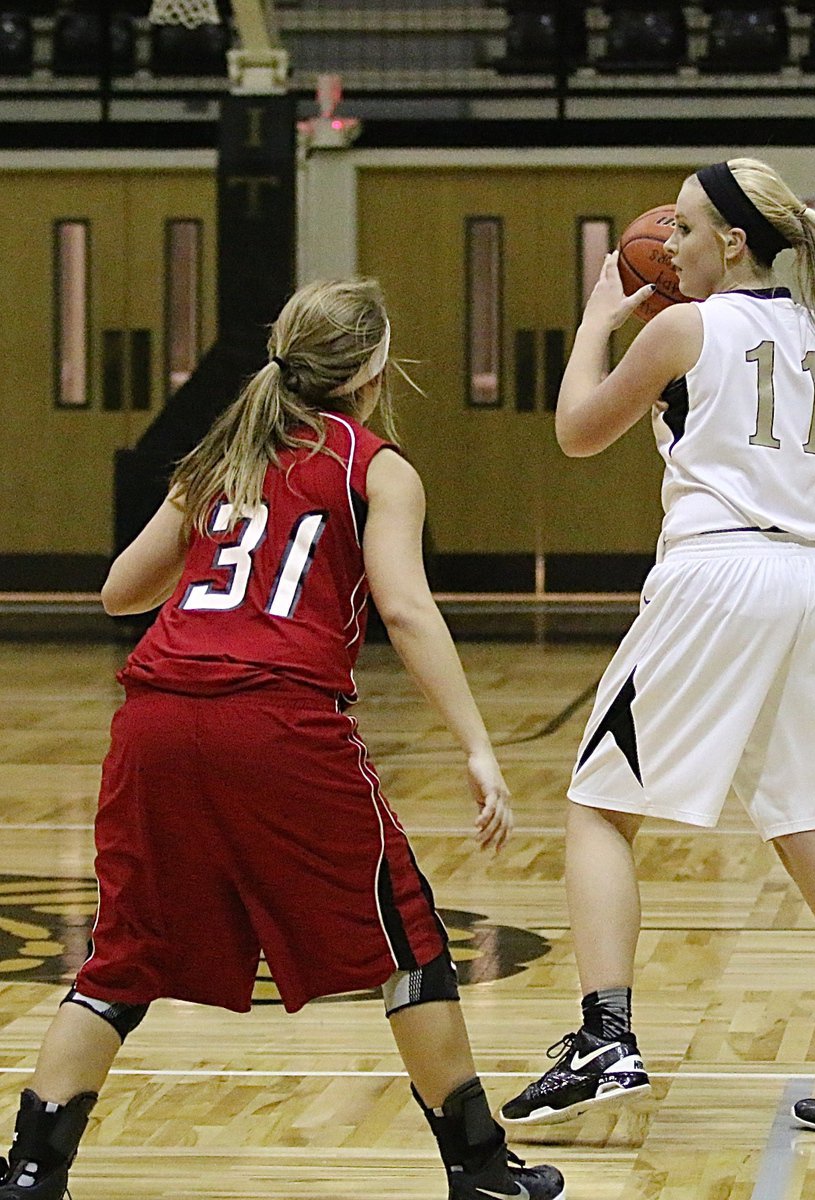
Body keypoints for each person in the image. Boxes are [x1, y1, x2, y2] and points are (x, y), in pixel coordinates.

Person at [0, 279, 565, 1200]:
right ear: (376, 370)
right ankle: (480, 1169)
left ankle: (31, 1170)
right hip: (277, 719)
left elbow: (119, 592)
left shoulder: (220, 456)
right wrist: (477, 745)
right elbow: (406, 610)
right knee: (408, 940)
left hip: (156, 716)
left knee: (123, 953)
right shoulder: (375, 467)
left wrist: (216, 547)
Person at [499, 159, 815, 1139]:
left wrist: (594, 325)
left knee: (597, 808)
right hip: (811, 585)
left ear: (732, 243)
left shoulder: (684, 329)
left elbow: (576, 431)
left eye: (686, 228)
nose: (670, 243)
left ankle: (604, 1039)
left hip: (718, 576)